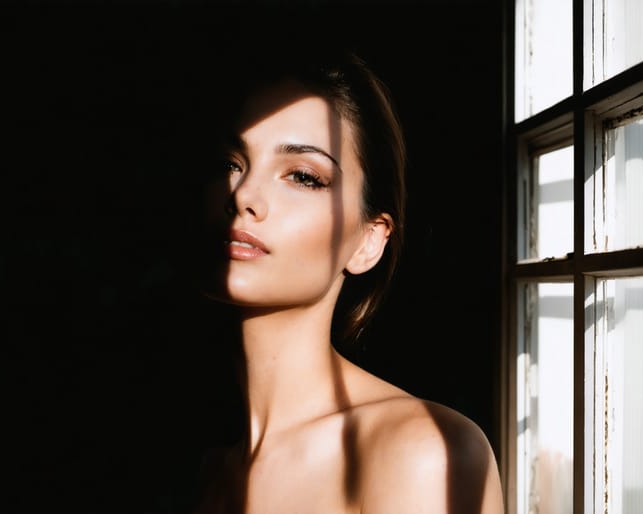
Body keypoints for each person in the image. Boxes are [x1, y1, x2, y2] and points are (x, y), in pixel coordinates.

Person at [181, 38, 505, 514]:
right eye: (230, 163)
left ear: (368, 240)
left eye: (303, 176)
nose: (244, 193)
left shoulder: (423, 452)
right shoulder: (205, 466)